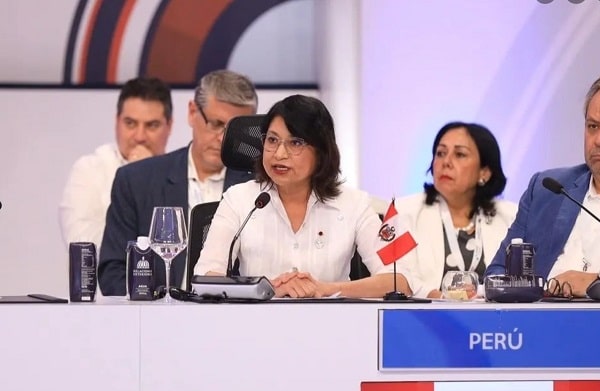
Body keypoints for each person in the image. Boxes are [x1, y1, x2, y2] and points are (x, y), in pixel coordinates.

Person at [193, 94, 408, 298]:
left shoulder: (354, 204)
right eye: (272, 140)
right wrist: (268, 290)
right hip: (257, 323)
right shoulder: (239, 200)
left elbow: (400, 281)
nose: (279, 154)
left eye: (295, 143)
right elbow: (205, 280)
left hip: (332, 322)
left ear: (322, 151)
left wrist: (325, 289)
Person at [98, 70, 258, 296]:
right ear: (192, 112)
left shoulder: (260, 187)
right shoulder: (136, 180)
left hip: (233, 313)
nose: (223, 138)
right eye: (216, 124)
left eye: (233, 129)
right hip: (157, 313)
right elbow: (113, 272)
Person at [486, 72, 600, 297]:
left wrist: (597, 283)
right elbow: (497, 274)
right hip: (543, 318)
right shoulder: (548, 190)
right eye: (593, 126)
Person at [395, 122, 517, 298]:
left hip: (493, 313)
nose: (446, 162)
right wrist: (439, 297)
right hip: (428, 311)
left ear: (484, 172)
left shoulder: (511, 217)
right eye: (440, 153)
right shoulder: (405, 211)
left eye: (460, 154)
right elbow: (398, 275)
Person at [59, 77, 173, 251]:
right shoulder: (89, 169)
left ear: (169, 126)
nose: (140, 136)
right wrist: (137, 178)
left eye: (152, 125)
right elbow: (81, 243)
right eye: (130, 123)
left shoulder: (180, 173)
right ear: (117, 122)